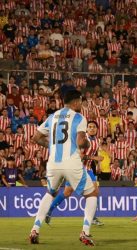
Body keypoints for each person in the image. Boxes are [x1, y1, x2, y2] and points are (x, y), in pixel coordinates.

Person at [28, 90, 98, 246]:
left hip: (53, 163)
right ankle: (85, 232)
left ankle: (35, 229)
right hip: (71, 162)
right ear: (75, 102)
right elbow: (81, 142)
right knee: (92, 193)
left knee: (50, 193)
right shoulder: (79, 117)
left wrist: (52, 147)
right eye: (80, 102)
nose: (81, 104)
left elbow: (35, 138)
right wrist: (87, 143)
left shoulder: (52, 117)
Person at [45, 121, 104, 226]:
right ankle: (49, 210)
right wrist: (94, 158)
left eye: (94, 127)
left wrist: (98, 165)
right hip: (76, 168)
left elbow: (95, 153)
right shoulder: (83, 140)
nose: (92, 129)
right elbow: (80, 156)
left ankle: (93, 218)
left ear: (97, 129)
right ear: (86, 129)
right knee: (67, 192)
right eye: (89, 127)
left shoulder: (97, 141)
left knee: (95, 192)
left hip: (88, 169)